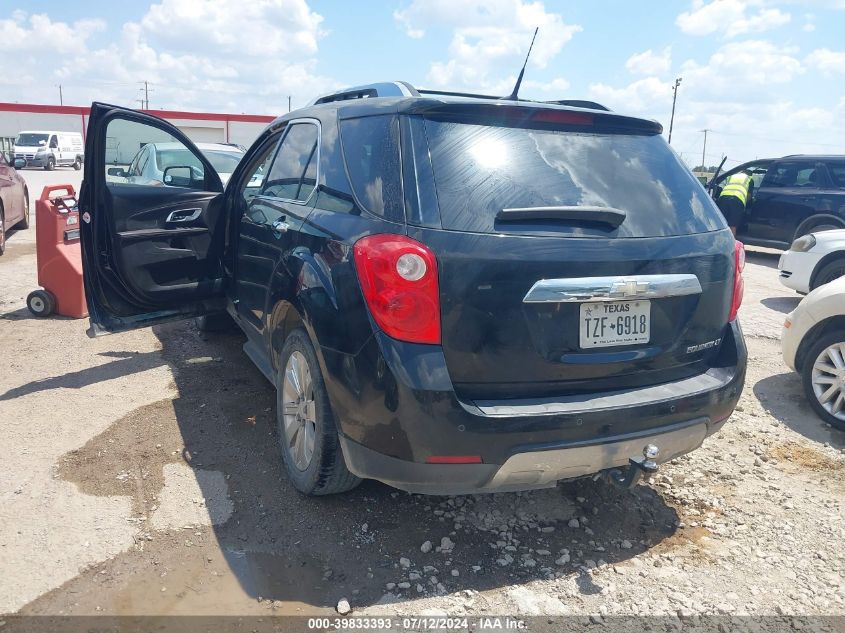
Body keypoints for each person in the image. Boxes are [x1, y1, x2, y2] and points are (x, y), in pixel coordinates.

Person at [717, 168, 754, 236]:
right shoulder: (749, 179)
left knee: (721, 223)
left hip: (723, 198)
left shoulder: (732, 176)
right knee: (732, 225)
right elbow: (749, 196)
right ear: (750, 175)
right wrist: (745, 206)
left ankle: (719, 242)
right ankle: (731, 244)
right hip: (737, 200)